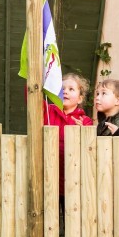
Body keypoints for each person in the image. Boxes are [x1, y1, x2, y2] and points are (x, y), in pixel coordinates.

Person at [43, 73, 94, 223]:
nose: (65, 91)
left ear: (80, 98)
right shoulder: (47, 110)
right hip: (49, 174)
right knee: (49, 215)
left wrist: (83, 132)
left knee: (71, 215)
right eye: (61, 88)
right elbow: (30, 95)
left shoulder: (84, 121)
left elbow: (89, 148)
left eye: (71, 89)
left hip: (72, 177)